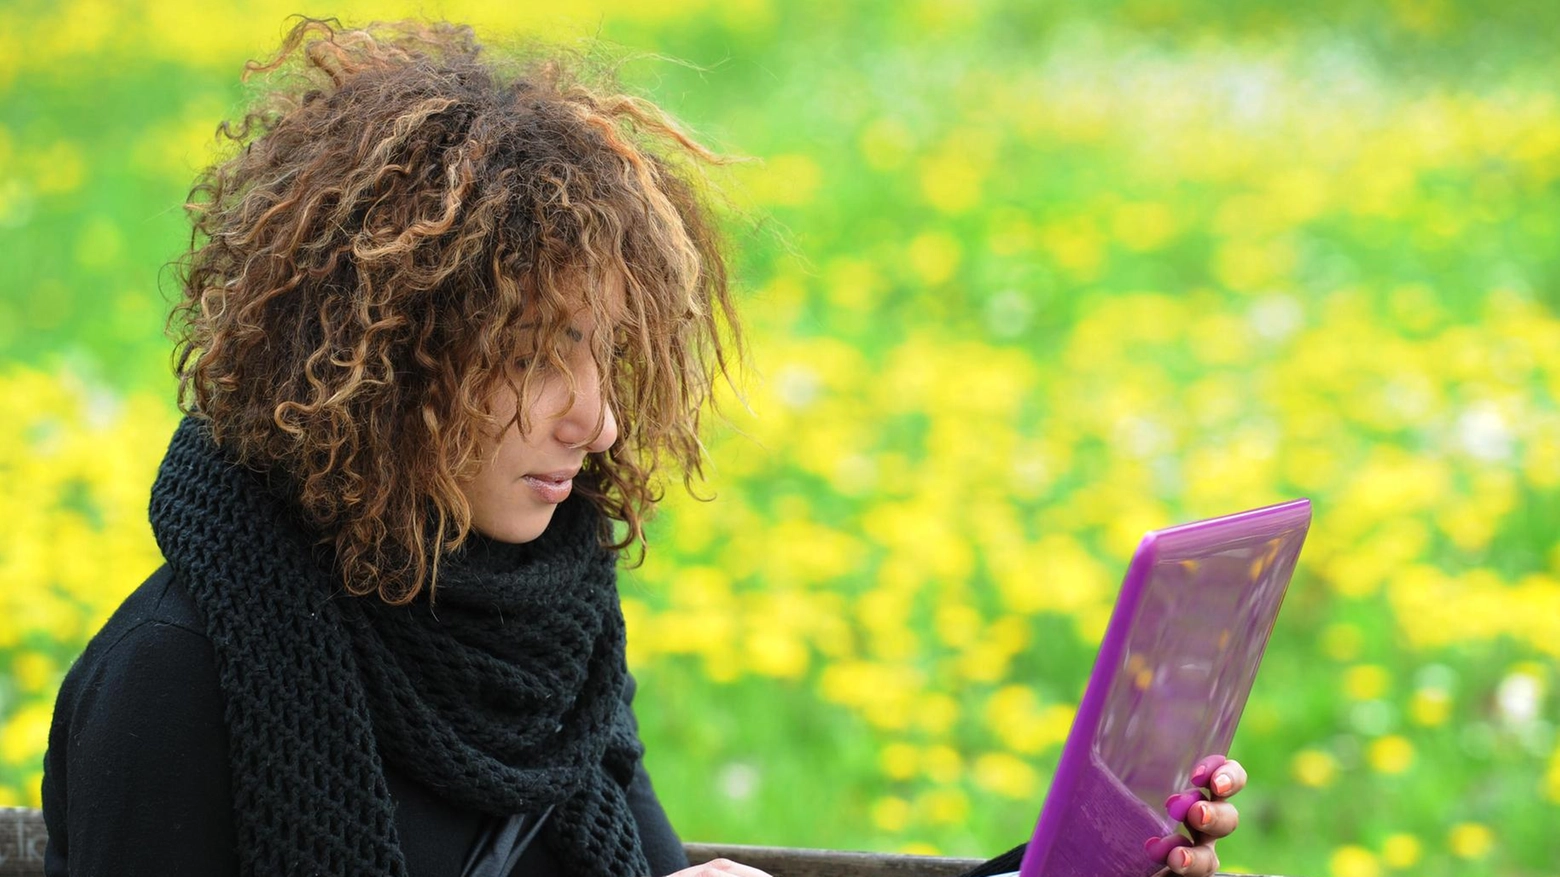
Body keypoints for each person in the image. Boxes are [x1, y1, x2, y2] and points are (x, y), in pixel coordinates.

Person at [39, 16, 1248, 877]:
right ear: (384, 354)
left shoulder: (539, 630)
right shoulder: (177, 682)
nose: (599, 420)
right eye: (538, 353)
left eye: (611, 358)